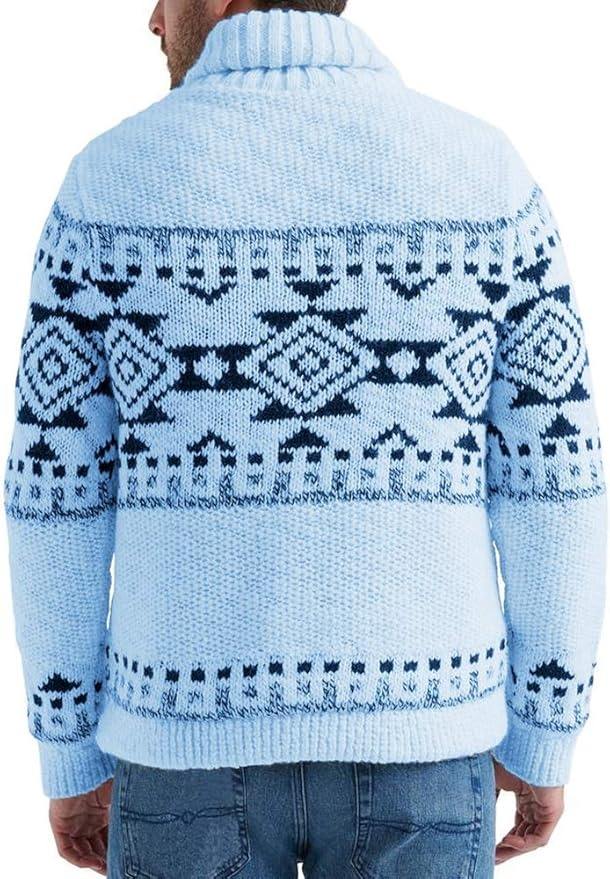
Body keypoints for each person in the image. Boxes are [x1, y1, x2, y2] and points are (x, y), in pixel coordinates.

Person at [4, 0, 606, 876]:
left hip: (178, 745)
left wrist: (69, 747)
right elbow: (555, 482)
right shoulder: (484, 175)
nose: (152, 20)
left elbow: (55, 497)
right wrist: (545, 731)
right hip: (425, 736)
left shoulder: (108, 185)